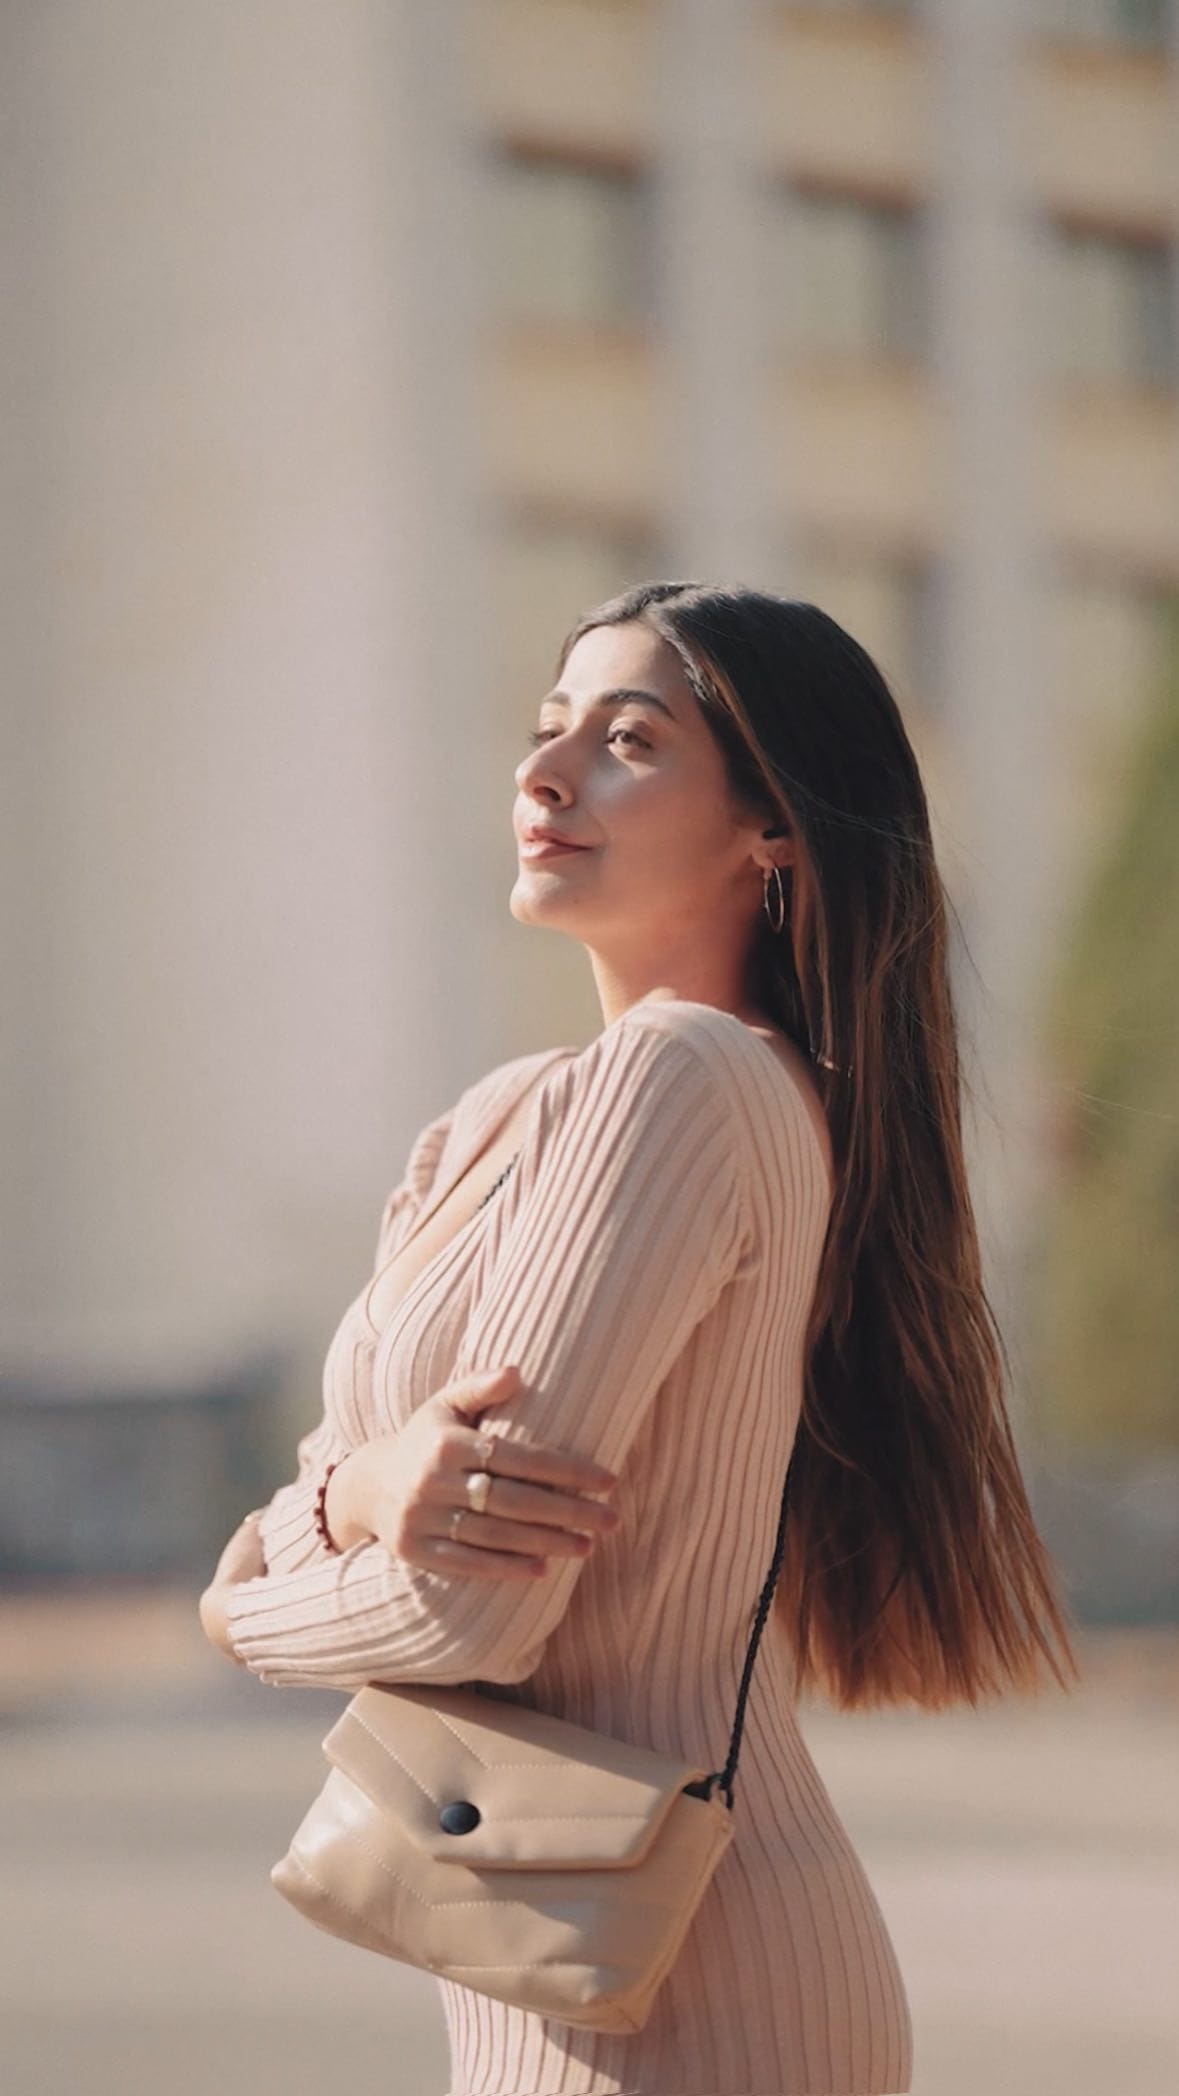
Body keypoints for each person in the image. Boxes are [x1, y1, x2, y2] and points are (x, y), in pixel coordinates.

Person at [199, 582, 1079, 2096]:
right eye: (547, 730)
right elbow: (351, 1481)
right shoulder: (491, 1121)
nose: (544, 775)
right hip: (547, 1948)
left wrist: (239, 1608)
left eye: (627, 742)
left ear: (772, 828)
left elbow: (470, 1616)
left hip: (699, 1985)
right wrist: (355, 1494)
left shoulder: (682, 1079)